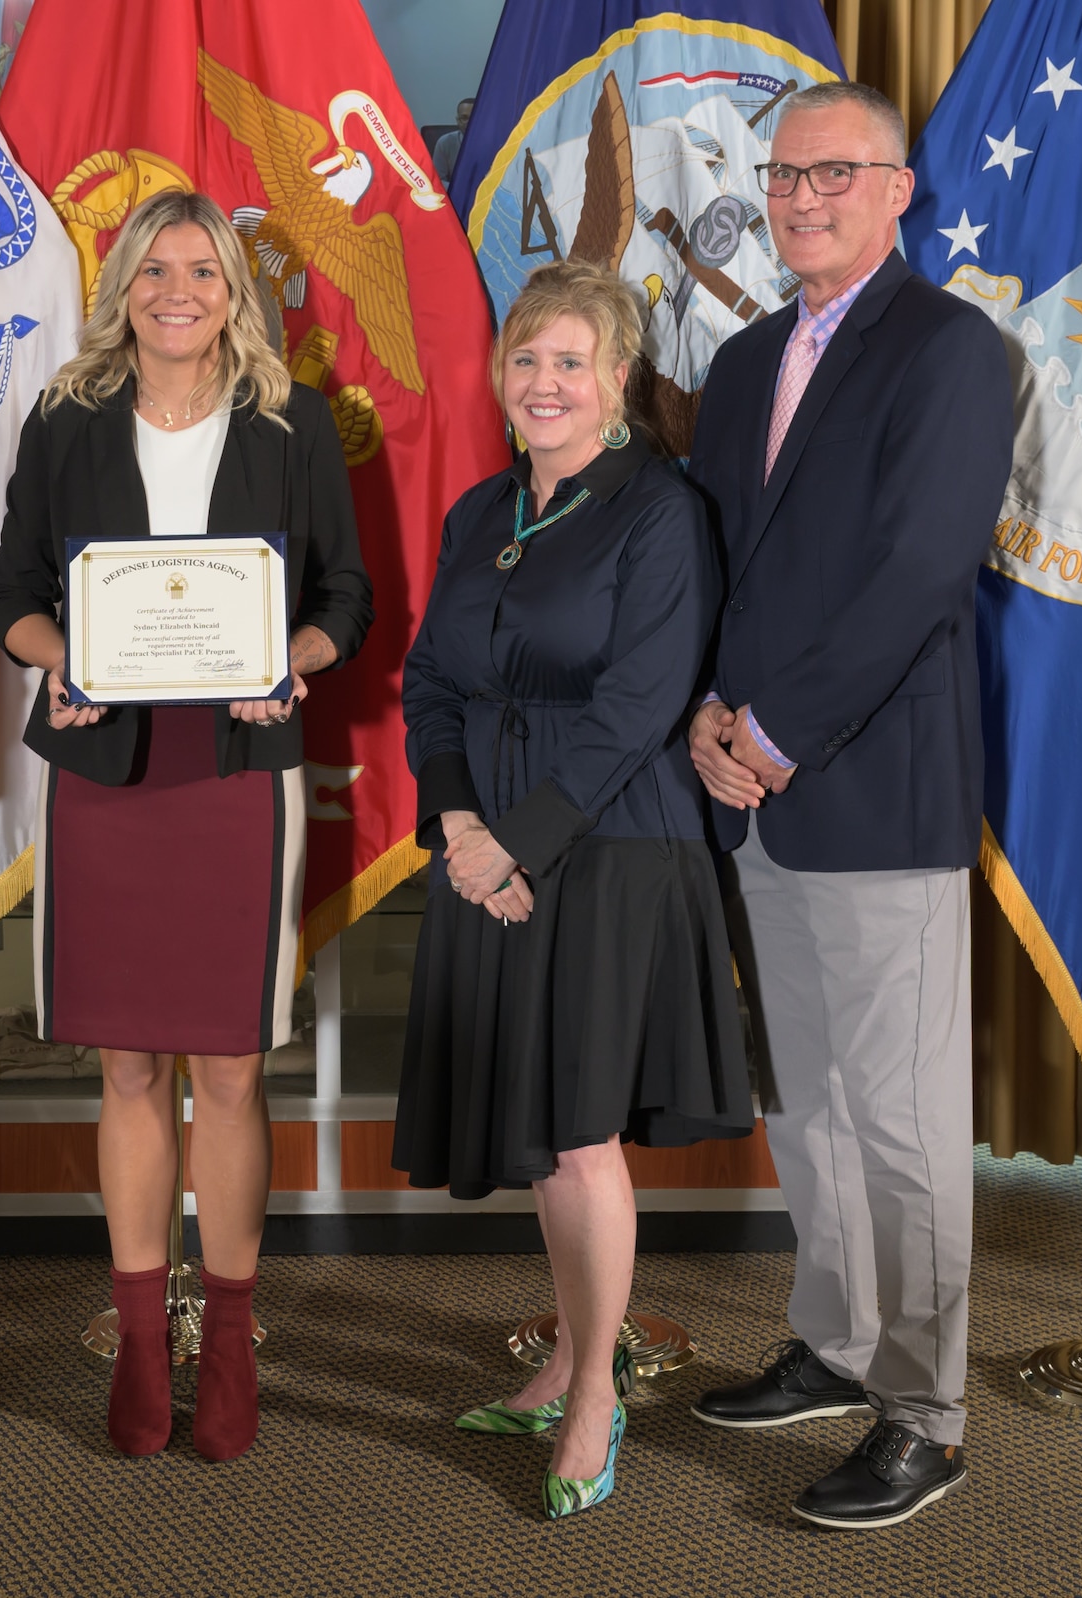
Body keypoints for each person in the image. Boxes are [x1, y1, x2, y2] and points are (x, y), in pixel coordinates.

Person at [0, 190, 372, 1462]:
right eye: (154, 268)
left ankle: (234, 1334)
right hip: (107, 771)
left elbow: (345, 596)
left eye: (202, 269)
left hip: (235, 772)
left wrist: (291, 657)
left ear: (233, 290)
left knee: (229, 1068)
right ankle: (144, 1336)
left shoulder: (289, 419)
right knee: (128, 1067)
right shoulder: (66, 418)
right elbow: (13, 595)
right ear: (122, 288)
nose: (177, 290)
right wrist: (60, 658)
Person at [683, 81, 1014, 1530]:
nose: (801, 196)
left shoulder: (949, 349)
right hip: (751, 794)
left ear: (895, 191)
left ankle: (925, 1416)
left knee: (901, 1124)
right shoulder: (743, 358)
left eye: (833, 172)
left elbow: (918, 571)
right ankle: (834, 1342)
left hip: (873, 791)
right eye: (782, 173)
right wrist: (704, 713)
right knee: (809, 1102)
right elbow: (714, 567)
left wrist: (769, 731)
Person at [392, 259, 754, 1519]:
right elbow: (430, 682)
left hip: (610, 845)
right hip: (486, 839)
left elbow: (638, 706)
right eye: (526, 359)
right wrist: (458, 822)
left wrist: (515, 844)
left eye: (570, 362)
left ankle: (598, 1386)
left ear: (617, 379)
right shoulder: (481, 510)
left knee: (584, 1129)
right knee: (546, 1126)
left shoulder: (661, 510)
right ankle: (562, 1355)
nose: (543, 383)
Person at [433, 98, 474, 186]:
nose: (469, 122)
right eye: (464, 118)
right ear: (458, 120)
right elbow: (437, 180)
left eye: (474, 117)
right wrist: (458, 191)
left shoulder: (495, 143)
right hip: (454, 192)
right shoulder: (445, 143)